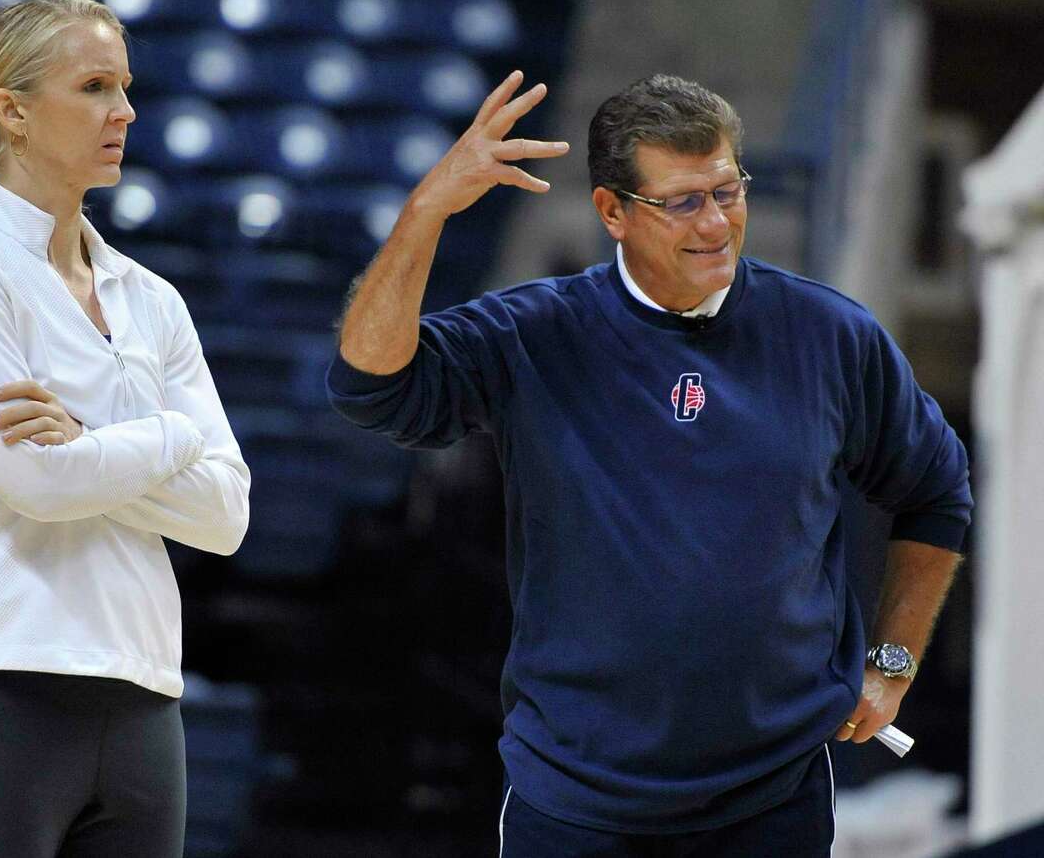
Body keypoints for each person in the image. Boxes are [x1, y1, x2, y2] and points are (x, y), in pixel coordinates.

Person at [326, 71, 972, 856]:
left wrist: (893, 663)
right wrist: (426, 212)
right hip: (574, 797)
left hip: (770, 798)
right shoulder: (536, 331)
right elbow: (371, 383)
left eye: (729, 192)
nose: (716, 224)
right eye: (683, 203)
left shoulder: (831, 334)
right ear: (612, 213)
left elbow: (936, 491)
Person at [0, 0, 249, 858]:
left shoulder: (153, 298)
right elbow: (41, 485)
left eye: (124, 87)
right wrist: (168, 434)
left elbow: (227, 514)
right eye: (94, 87)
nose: (125, 111)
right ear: (11, 110)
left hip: (142, 692)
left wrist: (89, 437)